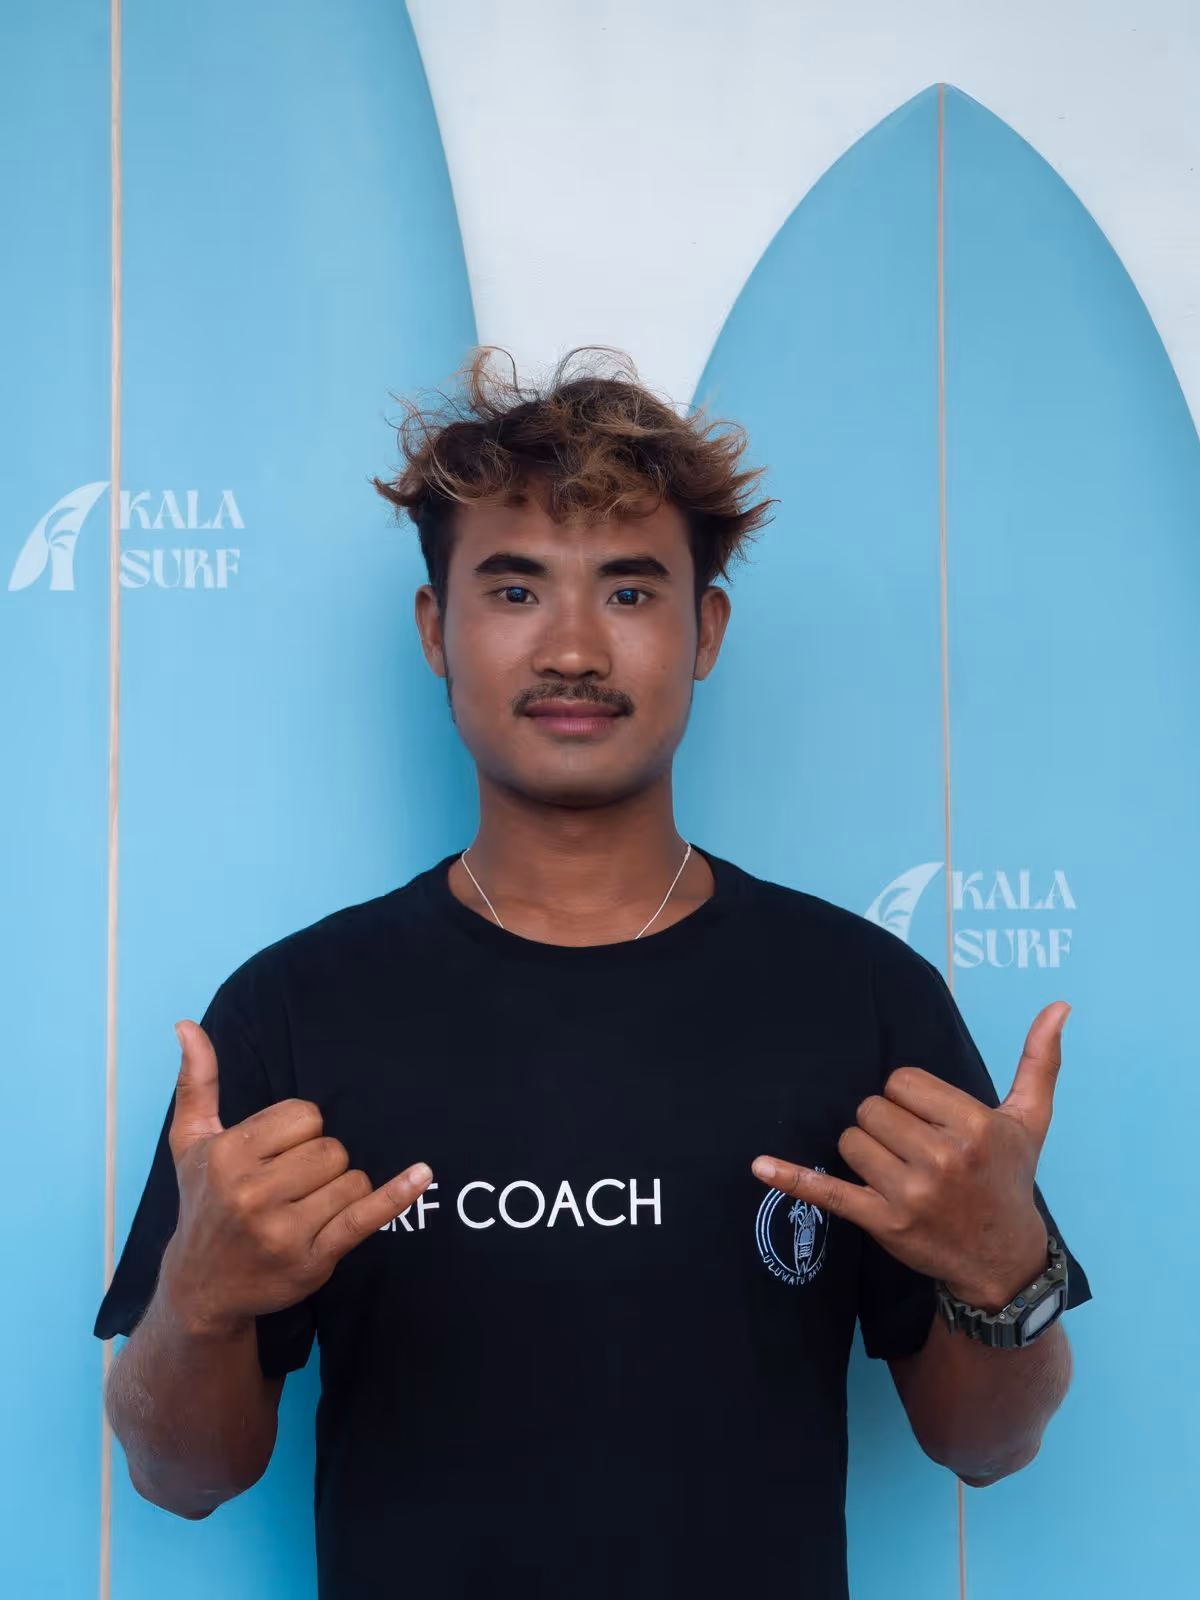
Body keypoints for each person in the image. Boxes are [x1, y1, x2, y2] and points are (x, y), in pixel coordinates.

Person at [94, 348, 1092, 1597]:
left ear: (705, 629)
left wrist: (1008, 1272)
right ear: (435, 629)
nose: (572, 649)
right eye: (514, 590)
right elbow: (181, 1476)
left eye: (628, 591)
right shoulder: (293, 1009)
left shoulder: (863, 997)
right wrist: (194, 1302)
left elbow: (986, 1445)